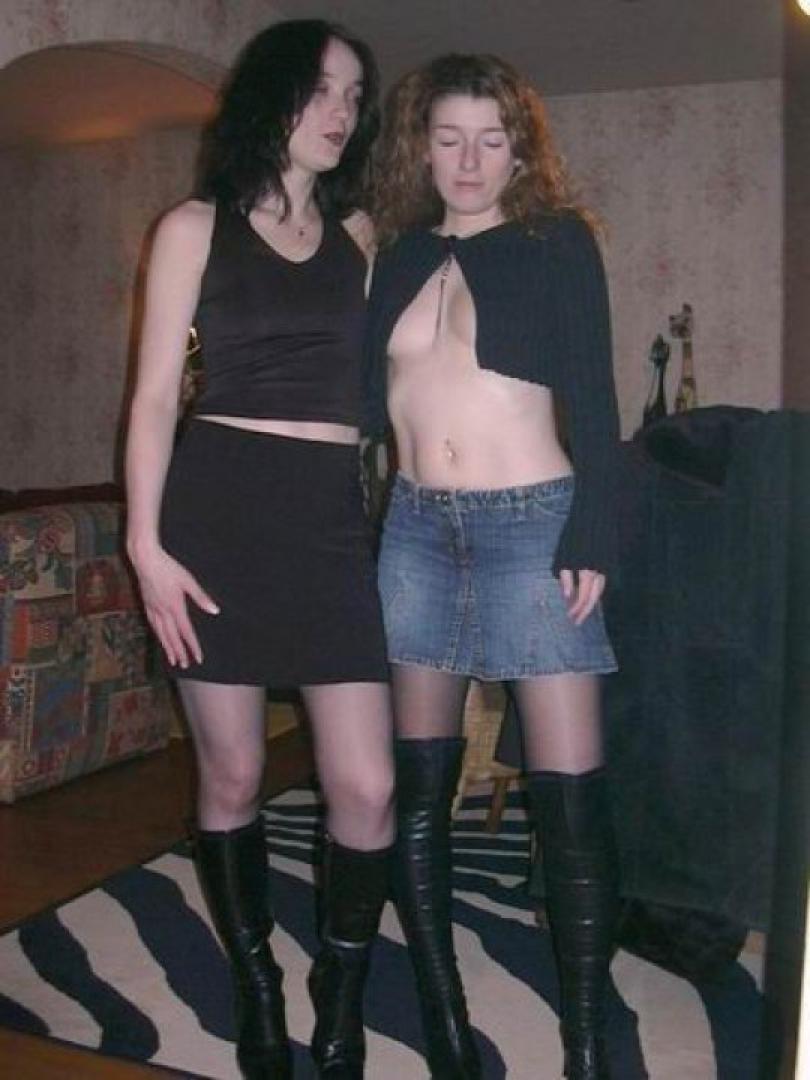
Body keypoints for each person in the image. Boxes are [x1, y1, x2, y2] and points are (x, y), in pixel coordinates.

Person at [125, 20, 394, 1080]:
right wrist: (145, 547)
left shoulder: (362, 235)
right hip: (219, 514)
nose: (342, 112)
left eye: (355, 95)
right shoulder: (192, 226)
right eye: (322, 89)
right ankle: (257, 983)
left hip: (329, 518)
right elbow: (154, 398)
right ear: (271, 98)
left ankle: (340, 988)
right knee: (233, 773)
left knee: (366, 786)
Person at [365, 54, 621, 1080]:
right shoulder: (394, 256)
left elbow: (596, 395)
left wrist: (594, 532)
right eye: (448, 139)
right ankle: (444, 1020)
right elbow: (356, 412)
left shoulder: (556, 243)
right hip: (415, 530)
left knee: (569, 795)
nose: (468, 162)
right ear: (420, 148)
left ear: (520, 150)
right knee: (419, 788)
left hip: (532, 527)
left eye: (491, 139)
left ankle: (586, 1044)